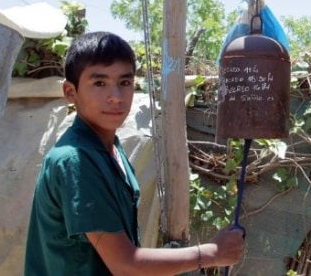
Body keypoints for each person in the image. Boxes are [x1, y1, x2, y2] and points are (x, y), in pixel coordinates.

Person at [25, 31, 244, 275]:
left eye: (124, 83)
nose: (116, 97)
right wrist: (212, 253)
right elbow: (125, 264)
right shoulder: (75, 159)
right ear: (70, 92)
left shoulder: (111, 151)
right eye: (99, 83)